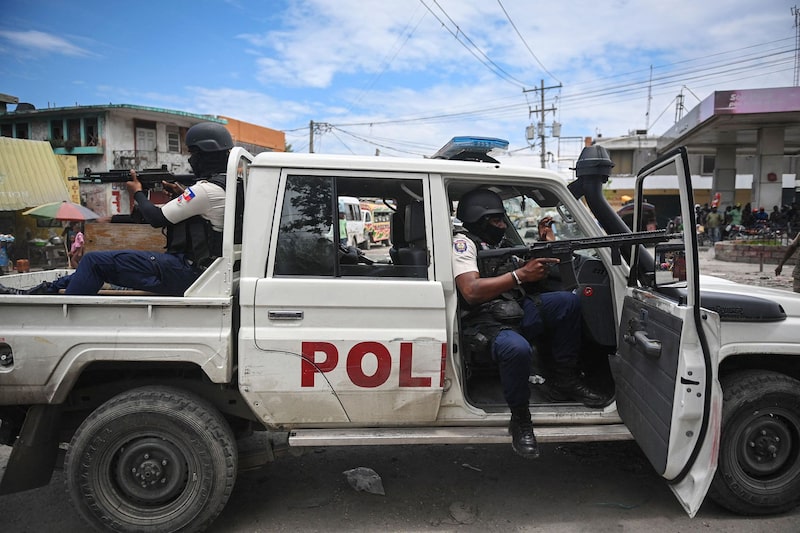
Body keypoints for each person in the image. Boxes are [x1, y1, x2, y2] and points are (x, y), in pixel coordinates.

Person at [452, 188, 610, 459]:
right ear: (478, 220)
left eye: (503, 220)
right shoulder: (464, 244)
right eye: (497, 221)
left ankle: (563, 381)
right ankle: (521, 419)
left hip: (514, 308)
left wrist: (545, 245)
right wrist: (519, 275)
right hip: (484, 320)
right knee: (517, 349)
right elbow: (471, 290)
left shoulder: (497, 244)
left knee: (567, 303)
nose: (503, 226)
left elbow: (520, 272)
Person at [48, 122, 233, 295]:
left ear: (203, 155)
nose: (191, 160)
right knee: (99, 265)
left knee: (93, 261)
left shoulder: (204, 190)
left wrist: (137, 192)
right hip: (208, 271)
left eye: (193, 154)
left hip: (190, 272)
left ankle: (67, 314)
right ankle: (48, 288)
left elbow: (156, 219)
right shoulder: (230, 186)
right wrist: (178, 195)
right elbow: (158, 215)